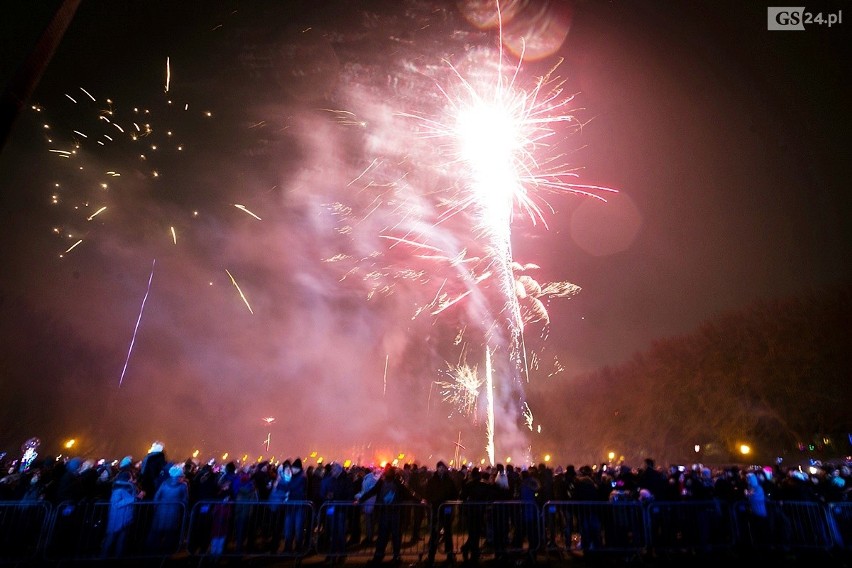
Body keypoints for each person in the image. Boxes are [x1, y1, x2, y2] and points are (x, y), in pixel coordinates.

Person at [358, 465, 422, 565]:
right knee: (390, 537)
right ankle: (389, 557)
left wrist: (360, 500)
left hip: (391, 513)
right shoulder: (393, 481)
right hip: (390, 513)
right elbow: (408, 492)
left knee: (387, 537)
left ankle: (385, 557)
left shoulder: (389, 481)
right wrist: (419, 500)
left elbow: (373, 491)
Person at [146, 464, 188, 554]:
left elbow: (157, 496)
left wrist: (156, 507)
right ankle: (166, 554)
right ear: (179, 476)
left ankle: (154, 552)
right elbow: (185, 500)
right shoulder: (183, 486)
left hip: (160, 511)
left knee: (157, 533)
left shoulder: (164, 483)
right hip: (174, 512)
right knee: (170, 535)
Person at [101, 456, 138, 558]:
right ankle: (103, 559)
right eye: (130, 478)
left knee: (122, 540)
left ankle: (118, 558)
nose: (132, 479)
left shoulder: (128, 488)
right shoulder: (118, 490)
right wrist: (134, 499)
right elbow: (116, 503)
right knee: (111, 539)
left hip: (125, 518)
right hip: (117, 518)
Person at [425, 461, 458, 566]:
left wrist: (449, 502)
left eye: (443, 467)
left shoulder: (449, 481)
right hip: (436, 510)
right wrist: (435, 501)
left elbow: (454, 493)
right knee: (435, 533)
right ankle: (431, 557)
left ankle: (449, 556)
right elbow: (428, 493)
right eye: (440, 467)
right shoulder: (432, 481)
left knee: (448, 533)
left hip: (446, 509)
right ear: (437, 468)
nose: (442, 469)